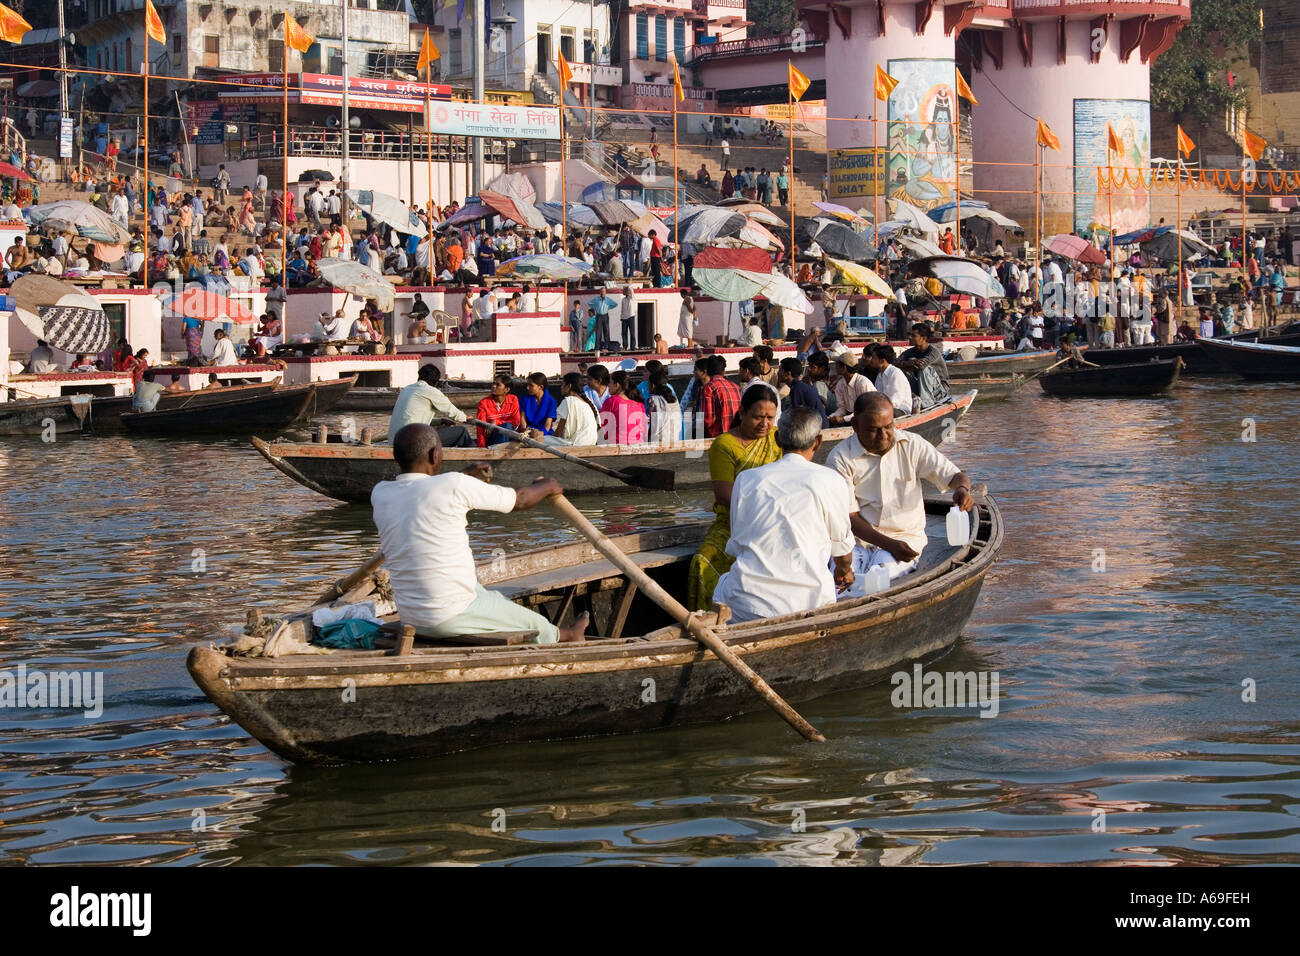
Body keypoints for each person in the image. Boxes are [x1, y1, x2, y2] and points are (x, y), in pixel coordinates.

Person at [372, 424, 589, 645]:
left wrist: (465, 474)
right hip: (447, 615)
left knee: (487, 595)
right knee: (537, 624)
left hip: (410, 617)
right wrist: (547, 486)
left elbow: (425, 491)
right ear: (434, 454)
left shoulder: (380, 492)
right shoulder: (454, 485)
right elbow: (521, 499)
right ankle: (569, 636)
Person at [712, 408, 857, 622]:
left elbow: (738, 541)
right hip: (809, 603)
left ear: (777, 439)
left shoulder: (746, 479)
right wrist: (844, 571)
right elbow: (843, 554)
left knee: (724, 583)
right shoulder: (831, 480)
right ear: (818, 442)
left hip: (746, 606)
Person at [827, 393, 974, 597]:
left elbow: (955, 475)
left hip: (904, 540)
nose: (884, 435)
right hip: (857, 541)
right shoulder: (840, 457)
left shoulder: (912, 444)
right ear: (855, 425)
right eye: (873, 430)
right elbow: (849, 518)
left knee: (878, 578)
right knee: (839, 587)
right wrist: (888, 544)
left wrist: (962, 489)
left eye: (888, 426)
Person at [686, 385, 782, 610]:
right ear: (742, 413)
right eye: (758, 417)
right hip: (733, 523)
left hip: (773, 521)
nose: (765, 424)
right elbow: (724, 495)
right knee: (701, 563)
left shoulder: (778, 439)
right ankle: (704, 619)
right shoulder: (724, 444)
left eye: (770, 417)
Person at [387, 363, 473, 447]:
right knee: (462, 432)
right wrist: (465, 418)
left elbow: (414, 419)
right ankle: (476, 459)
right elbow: (451, 410)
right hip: (412, 442)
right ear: (435, 382)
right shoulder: (430, 390)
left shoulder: (406, 389)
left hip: (394, 441)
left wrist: (440, 421)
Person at [895, 323, 949, 410]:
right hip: (921, 388)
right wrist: (906, 364)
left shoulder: (933, 352)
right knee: (900, 370)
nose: (910, 337)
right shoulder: (910, 352)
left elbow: (921, 366)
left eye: (913, 335)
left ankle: (927, 404)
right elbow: (894, 364)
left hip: (939, 391)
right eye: (910, 335)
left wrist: (907, 364)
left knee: (923, 369)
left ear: (923, 338)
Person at [546, 372, 600, 446]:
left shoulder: (568, 401)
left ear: (569, 386)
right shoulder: (586, 402)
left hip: (576, 443)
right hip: (590, 442)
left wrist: (548, 439)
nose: (561, 387)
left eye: (562, 384)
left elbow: (558, 432)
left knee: (543, 440)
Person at [826, 343, 873, 426]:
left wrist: (844, 419)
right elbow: (842, 408)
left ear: (844, 368)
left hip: (868, 417)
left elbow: (866, 410)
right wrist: (832, 416)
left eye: (837, 365)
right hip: (853, 417)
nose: (835, 367)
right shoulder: (841, 384)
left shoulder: (862, 383)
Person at [696, 354, 742, 439]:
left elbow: (707, 419)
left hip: (718, 436)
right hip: (737, 434)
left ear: (708, 371)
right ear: (723, 371)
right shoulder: (736, 386)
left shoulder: (708, 388)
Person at [599, 369, 647, 445]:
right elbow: (644, 429)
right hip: (638, 445)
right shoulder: (639, 403)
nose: (608, 386)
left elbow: (600, 426)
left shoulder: (612, 401)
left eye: (610, 383)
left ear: (616, 385)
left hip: (617, 448)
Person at [475, 373, 523, 447]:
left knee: (507, 426)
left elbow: (515, 421)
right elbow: (480, 427)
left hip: (509, 436)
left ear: (507, 389)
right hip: (492, 439)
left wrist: (496, 423)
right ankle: (500, 453)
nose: (494, 386)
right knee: (506, 426)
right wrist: (481, 447)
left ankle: (501, 452)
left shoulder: (513, 399)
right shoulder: (484, 403)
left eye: (498, 385)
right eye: (493, 384)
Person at [865, 344, 912, 416]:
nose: (871, 360)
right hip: (885, 408)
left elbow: (896, 401)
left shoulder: (895, 373)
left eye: (874, 358)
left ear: (882, 361)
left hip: (900, 409)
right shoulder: (880, 375)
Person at [778, 357, 827, 425]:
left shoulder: (797, 388)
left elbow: (796, 415)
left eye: (780, 370)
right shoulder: (797, 386)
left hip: (817, 426)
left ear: (787, 374)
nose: (778, 373)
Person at [646, 368, 681, 445]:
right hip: (674, 440)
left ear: (653, 385)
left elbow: (652, 424)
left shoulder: (653, 400)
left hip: (659, 442)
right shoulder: (674, 399)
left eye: (648, 384)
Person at [520, 372, 558, 436]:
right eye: (527, 385)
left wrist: (540, 434)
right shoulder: (524, 399)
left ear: (540, 387)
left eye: (531, 385)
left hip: (545, 432)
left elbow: (548, 424)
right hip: (528, 431)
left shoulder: (551, 402)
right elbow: (522, 419)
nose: (527, 388)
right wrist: (525, 431)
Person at [619, 286, 638, 351]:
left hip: (631, 317)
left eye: (625, 291)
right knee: (624, 333)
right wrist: (621, 316)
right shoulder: (623, 299)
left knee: (632, 333)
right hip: (624, 318)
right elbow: (622, 309)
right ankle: (625, 346)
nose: (623, 292)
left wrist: (628, 287)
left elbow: (631, 291)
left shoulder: (632, 298)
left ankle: (632, 347)